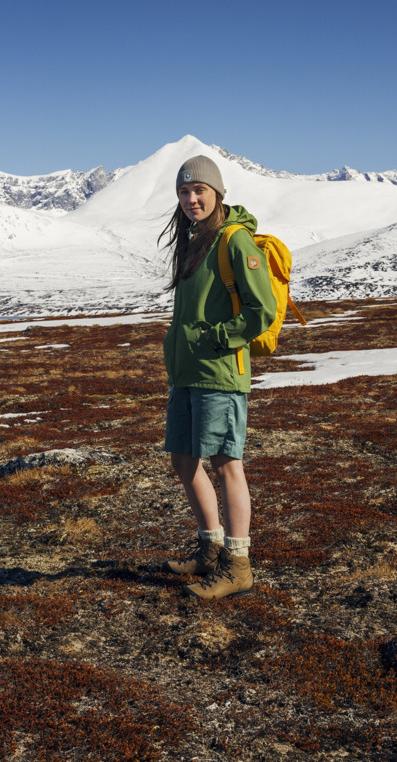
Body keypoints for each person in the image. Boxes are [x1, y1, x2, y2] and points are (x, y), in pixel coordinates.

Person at [160, 155, 276, 599]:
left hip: (221, 371)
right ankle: (209, 548)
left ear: (217, 193)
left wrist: (218, 339)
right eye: (184, 192)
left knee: (227, 463)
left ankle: (238, 564)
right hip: (188, 371)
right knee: (184, 462)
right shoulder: (192, 241)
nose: (191, 199)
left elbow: (260, 309)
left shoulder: (235, 240)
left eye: (200, 191)